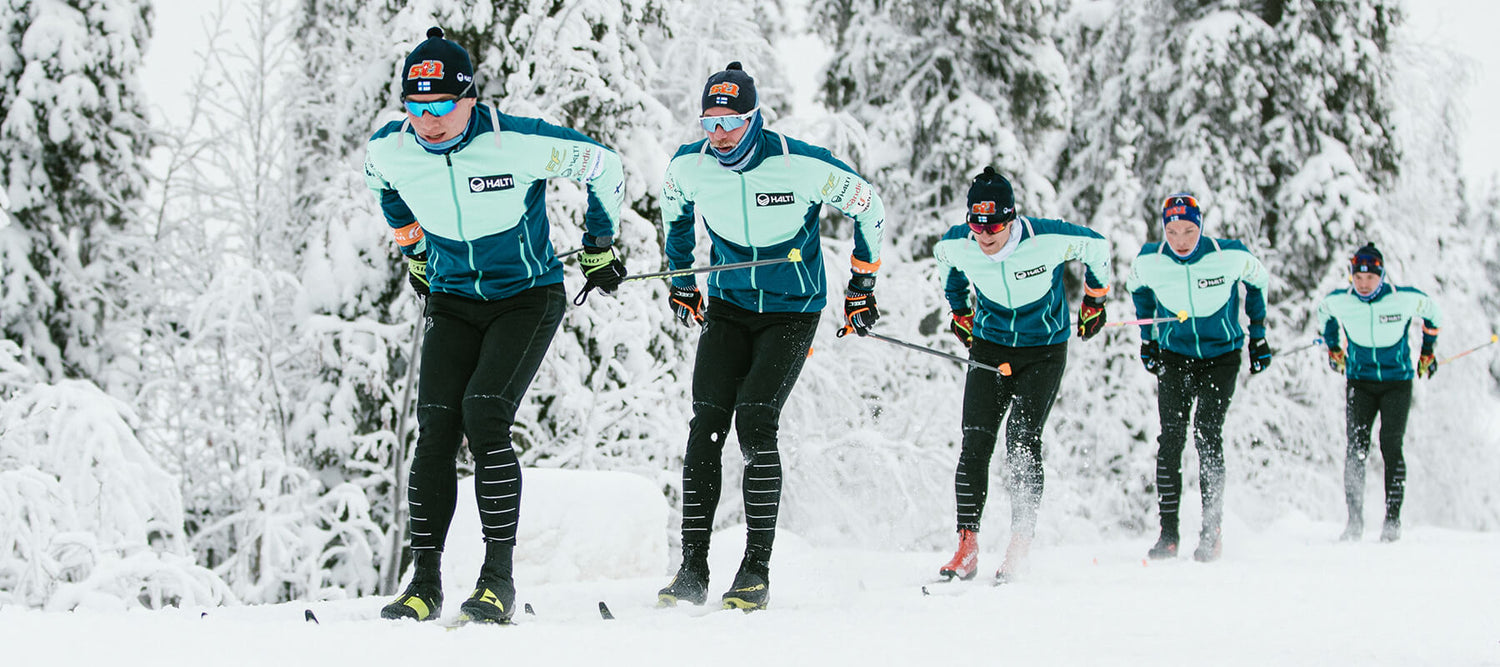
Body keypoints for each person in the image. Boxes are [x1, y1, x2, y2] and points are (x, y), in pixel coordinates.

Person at [363, 27, 627, 624]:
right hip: (454, 299)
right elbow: (383, 187)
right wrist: (412, 250)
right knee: (434, 428)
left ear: (470, 98)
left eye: (440, 106)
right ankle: (423, 582)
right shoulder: (391, 149)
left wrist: (600, 244)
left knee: (483, 412)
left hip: (526, 298)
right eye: (415, 106)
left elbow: (604, 167)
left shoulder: (518, 142)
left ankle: (496, 580)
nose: (427, 120)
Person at [654, 62, 885, 611]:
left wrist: (862, 284)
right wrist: (681, 277)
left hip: (792, 309)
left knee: (754, 416)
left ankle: (755, 570)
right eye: (710, 121)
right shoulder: (690, 166)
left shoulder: (798, 164)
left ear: (755, 118)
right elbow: (675, 215)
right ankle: (692, 570)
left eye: (732, 120)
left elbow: (867, 205)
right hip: (731, 306)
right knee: (706, 421)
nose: (721, 133)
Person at [931, 167, 1112, 584]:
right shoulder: (959, 244)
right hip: (990, 347)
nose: (985, 234)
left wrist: (1095, 300)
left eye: (994, 224)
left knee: (1022, 438)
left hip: (1044, 350)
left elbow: (1097, 248)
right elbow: (947, 266)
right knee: (975, 440)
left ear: (1011, 218)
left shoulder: (1045, 239)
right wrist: (958, 311)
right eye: (977, 224)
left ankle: (1019, 543)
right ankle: (967, 544)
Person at [1126, 193, 1270, 563]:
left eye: (1189, 230)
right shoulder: (1151, 260)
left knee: (1207, 432)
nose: (1181, 240)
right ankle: (1168, 534)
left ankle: (1211, 532)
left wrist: (1258, 336)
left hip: (1221, 357)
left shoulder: (1229, 255)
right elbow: (1137, 289)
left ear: (1201, 227)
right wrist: (1148, 338)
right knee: (1171, 438)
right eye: (1172, 232)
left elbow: (1258, 281)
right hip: (1175, 358)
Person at [1315, 244, 1441, 543]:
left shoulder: (1403, 299)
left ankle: (1392, 521)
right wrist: (1333, 348)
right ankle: (1354, 520)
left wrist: (1427, 354)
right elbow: (1325, 314)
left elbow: (1433, 315)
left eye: (1370, 277)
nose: (1364, 283)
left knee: (1390, 445)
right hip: (1360, 382)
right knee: (1356, 447)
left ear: (1381, 276)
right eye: (1358, 278)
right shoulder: (1341, 301)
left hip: (1397, 383)